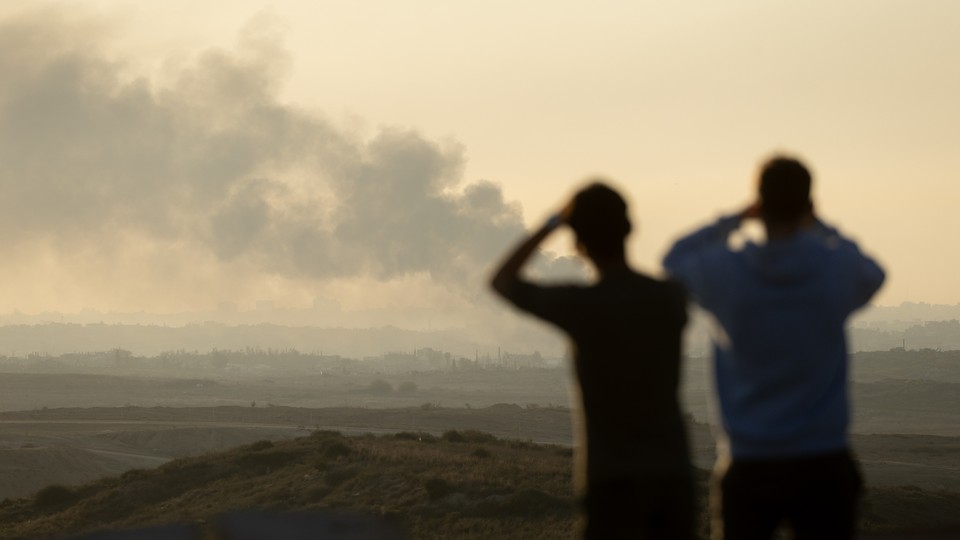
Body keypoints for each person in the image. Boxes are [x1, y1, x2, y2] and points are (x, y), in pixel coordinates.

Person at [662, 156, 885, 540]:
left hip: (750, 461)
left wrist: (732, 219)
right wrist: (822, 226)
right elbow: (873, 271)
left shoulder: (726, 273)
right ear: (808, 205)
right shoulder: (834, 270)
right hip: (823, 459)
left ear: (759, 204)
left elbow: (674, 258)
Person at [490, 182, 696, 539]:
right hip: (672, 474)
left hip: (612, 481)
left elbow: (502, 280)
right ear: (629, 229)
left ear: (578, 243)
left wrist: (552, 222)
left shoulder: (581, 305)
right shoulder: (670, 297)